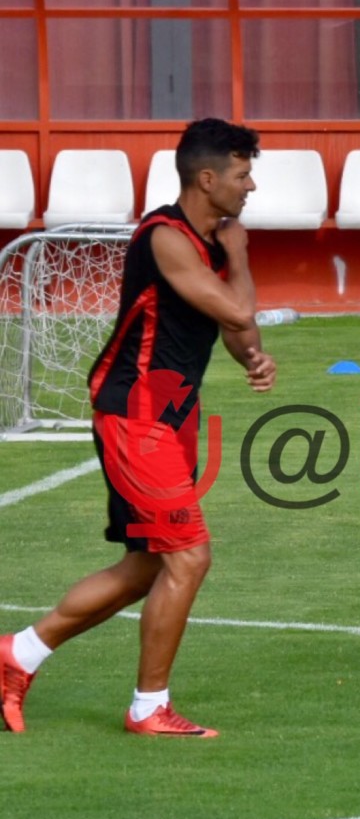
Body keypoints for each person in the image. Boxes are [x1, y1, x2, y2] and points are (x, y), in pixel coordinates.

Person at [0, 118, 276, 738]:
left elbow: (240, 331)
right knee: (190, 557)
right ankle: (149, 707)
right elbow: (238, 310)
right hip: (137, 416)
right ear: (207, 179)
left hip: (170, 417)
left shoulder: (208, 243)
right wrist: (240, 256)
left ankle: (18, 653)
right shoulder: (166, 238)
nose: (251, 186)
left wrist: (253, 359)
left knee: (148, 565)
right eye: (242, 175)